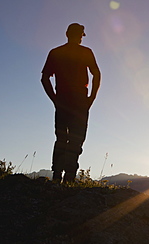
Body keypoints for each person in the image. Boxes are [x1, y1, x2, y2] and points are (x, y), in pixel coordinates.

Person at [41, 23, 101, 183]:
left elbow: (45, 78)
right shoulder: (85, 52)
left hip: (63, 99)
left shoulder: (56, 53)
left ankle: (56, 177)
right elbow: (97, 74)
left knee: (61, 138)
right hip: (80, 100)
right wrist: (91, 98)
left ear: (67, 34)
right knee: (76, 139)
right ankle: (68, 179)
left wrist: (55, 99)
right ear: (80, 36)